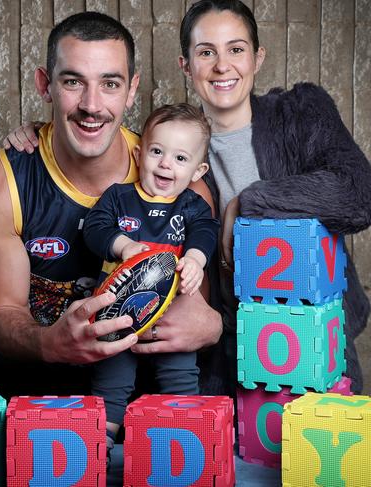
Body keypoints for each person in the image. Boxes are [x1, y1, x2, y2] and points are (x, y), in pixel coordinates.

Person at [4, 0, 371, 394]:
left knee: (321, 453)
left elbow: (358, 197)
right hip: (221, 362)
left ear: (257, 57)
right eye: (206, 52)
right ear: (186, 65)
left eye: (236, 49)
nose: (222, 66)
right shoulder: (168, 151)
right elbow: (93, 131)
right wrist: (40, 133)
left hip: (310, 341)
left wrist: (250, 202)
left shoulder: (300, 114)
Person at [0, 11, 222, 400]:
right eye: (73, 82)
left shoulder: (182, 187)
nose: (91, 104)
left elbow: (196, 312)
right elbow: (3, 315)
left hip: (142, 410)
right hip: (34, 401)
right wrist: (48, 342)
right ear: (45, 84)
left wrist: (211, 325)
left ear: (131, 89)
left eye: (110, 83)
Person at [82, 103, 220, 455]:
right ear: (140, 154)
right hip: (119, 313)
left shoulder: (191, 206)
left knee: (180, 375)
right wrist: (123, 244)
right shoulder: (119, 196)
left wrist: (194, 259)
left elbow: (205, 233)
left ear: (197, 169)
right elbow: (95, 229)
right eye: (157, 152)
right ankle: (100, 448)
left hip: (170, 316)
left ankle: (186, 442)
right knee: (110, 384)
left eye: (180, 158)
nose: (165, 164)